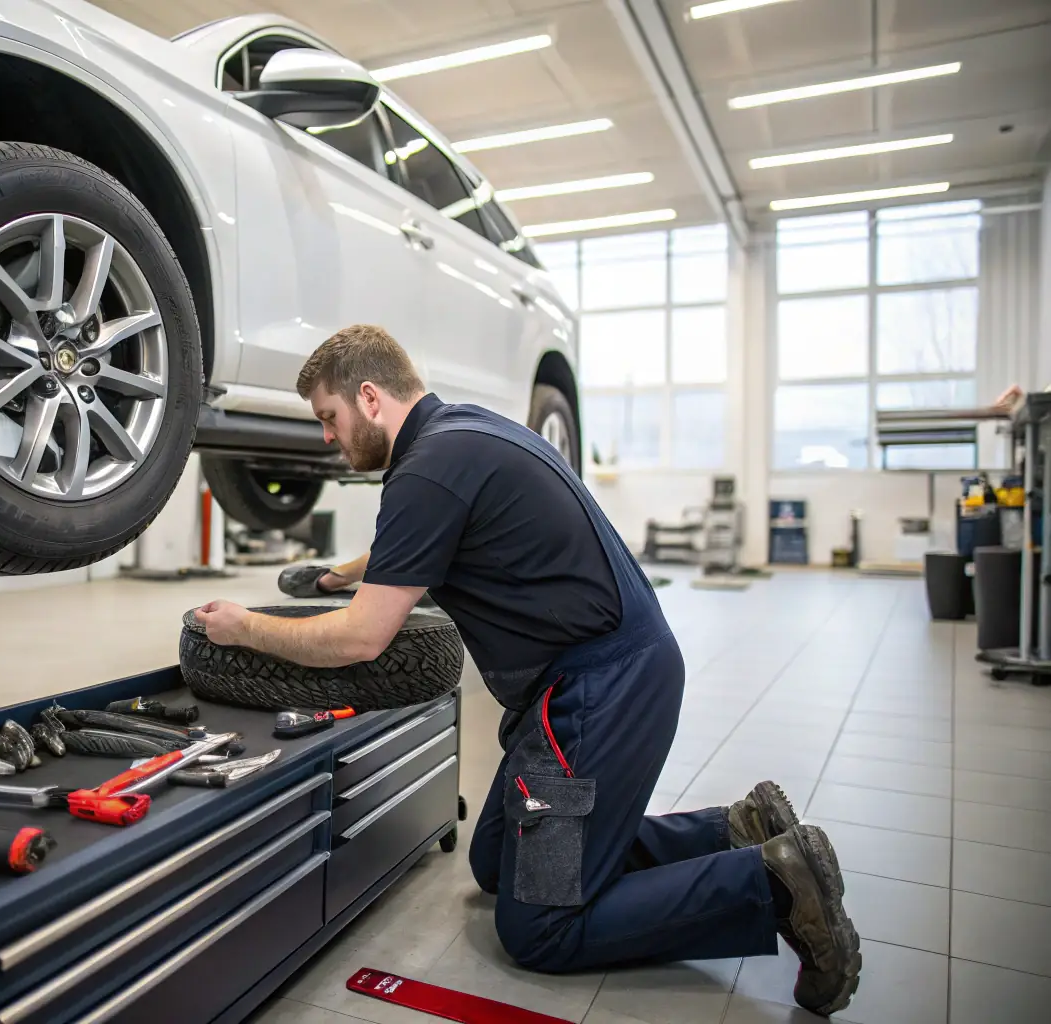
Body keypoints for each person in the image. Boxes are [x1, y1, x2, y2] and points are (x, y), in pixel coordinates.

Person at [195, 325, 861, 1015]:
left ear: (368, 397)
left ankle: (774, 884)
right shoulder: (462, 434)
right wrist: (339, 574)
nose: (328, 437)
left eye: (329, 418)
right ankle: (730, 829)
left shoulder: (424, 470)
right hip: (602, 674)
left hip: (598, 694)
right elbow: (420, 543)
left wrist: (244, 629)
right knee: (494, 863)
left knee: (538, 925)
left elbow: (362, 639)